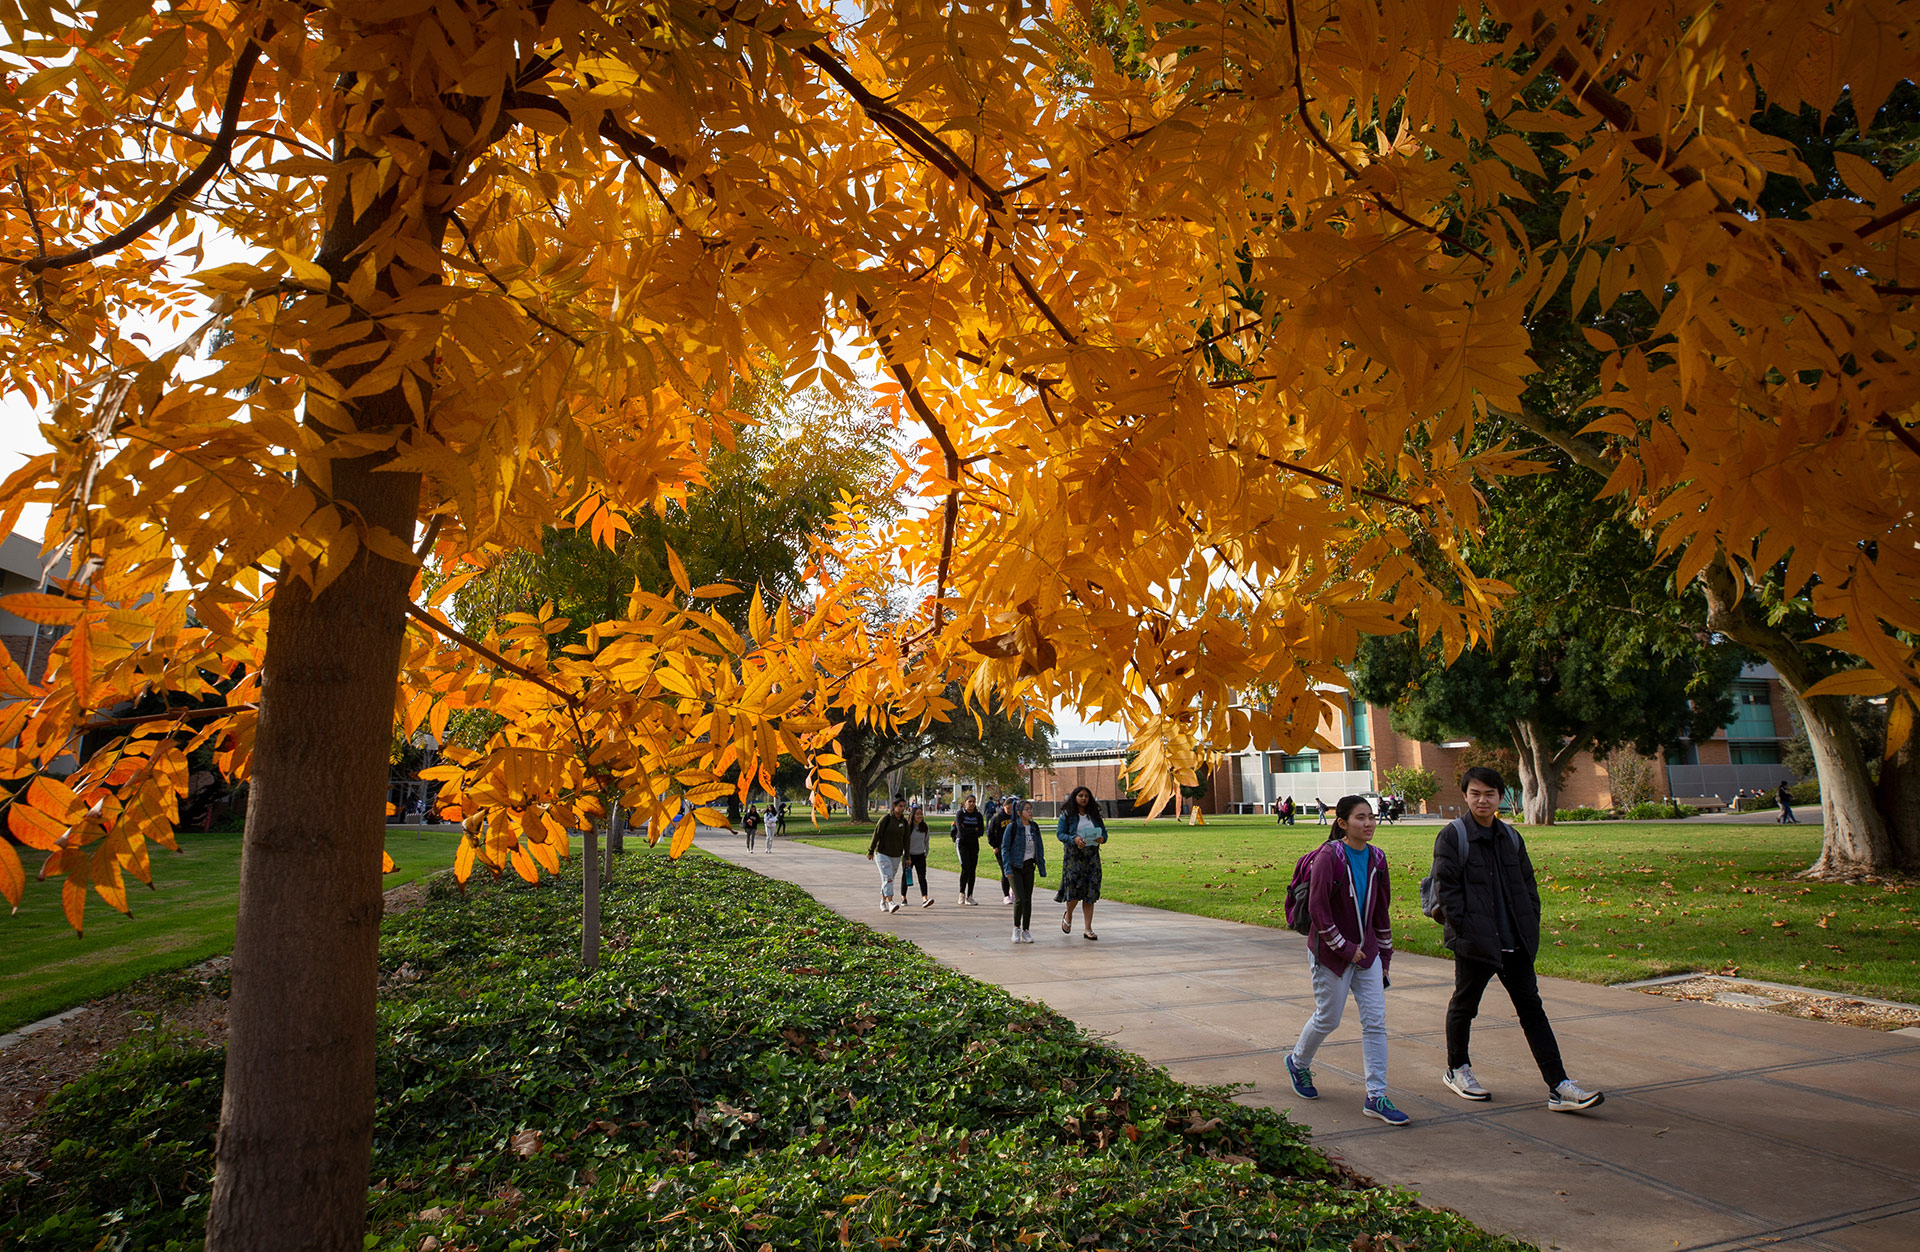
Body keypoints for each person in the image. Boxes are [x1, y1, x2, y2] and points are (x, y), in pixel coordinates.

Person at [1431, 767, 1604, 1114]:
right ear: (1465, 795)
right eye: (1475, 794)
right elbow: (1446, 890)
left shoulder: (1510, 837)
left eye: (1489, 794)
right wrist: (1465, 930)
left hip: (1515, 941)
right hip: (1476, 942)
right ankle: (1457, 1068)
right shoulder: (1453, 836)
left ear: (1500, 797)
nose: (1482, 800)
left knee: (1532, 1011)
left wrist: (1530, 922)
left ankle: (1559, 1086)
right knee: (1465, 1006)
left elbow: (1528, 885)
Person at [1283, 795, 1406, 1126]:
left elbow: (1381, 908)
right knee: (1328, 1018)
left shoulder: (1378, 858)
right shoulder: (1329, 856)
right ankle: (1298, 1062)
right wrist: (1344, 947)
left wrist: (1385, 954)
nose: (1368, 823)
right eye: (1360, 818)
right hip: (1331, 954)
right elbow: (1318, 909)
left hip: (1368, 954)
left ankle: (1376, 1096)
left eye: (1371, 817)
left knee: (1375, 1022)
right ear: (1342, 823)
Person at [1055, 785, 1107, 940]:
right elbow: (1060, 834)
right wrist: (1074, 839)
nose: (1084, 798)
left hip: (1092, 857)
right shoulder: (1067, 815)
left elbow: (1104, 833)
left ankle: (1088, 928)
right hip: (1074, 857)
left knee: (1090, 892)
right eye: (1080, 796)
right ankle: (1069, 914)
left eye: (1086, 796)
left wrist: (1102, 838)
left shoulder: (1094, 815)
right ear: (1075, 797)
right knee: (1074, 892)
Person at [1000, 800, 1048, 943]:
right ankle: (1016, 928)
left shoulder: (1034, 827)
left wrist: (1041, 865)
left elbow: (1039, 846)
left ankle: (1026, 930)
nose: (1030, 811)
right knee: (1020, 898)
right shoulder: (1013, 827)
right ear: (1019, 812)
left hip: (1028, 866)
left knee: (1028, 899)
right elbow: (1005, 848)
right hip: (1015, 867)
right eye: (1027, 809)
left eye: (1031, 809)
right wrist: (1007, 868)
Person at [866, 797, 912, 913]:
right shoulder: (886, 819)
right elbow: (876, 834)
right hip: (882, 853)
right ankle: (891, 902)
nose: (902, 808)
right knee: (888, 878)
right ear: (894, 806)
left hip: (896, 855)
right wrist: (871, 850)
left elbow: (906, 840)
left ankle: (883, 900)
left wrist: (907, 856)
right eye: (900, 806)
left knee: (888, 879)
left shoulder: (904, 823)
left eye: (904, 806)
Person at [952, 794, 985, 904]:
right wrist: (974, 829)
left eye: (973, 802)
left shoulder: (978, 815)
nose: (971, 804)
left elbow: (981, 832)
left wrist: (970, 829)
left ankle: (970, 895)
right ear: (965, 802)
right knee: (965, 868)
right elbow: (961, 831)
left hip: (974, 844)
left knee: (972, 870)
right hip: (962, 843)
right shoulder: (960, 814)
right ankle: (962, 893)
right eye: (969, 801)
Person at [905, 803, 934, 907]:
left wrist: (926, 852)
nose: (920, 816)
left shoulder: (924, 827)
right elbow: (904, 842)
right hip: (909, 856)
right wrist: (906, 856)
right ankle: (903, 897)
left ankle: (925, 898)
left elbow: (926, 841)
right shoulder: (908, 827)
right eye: (917, 814)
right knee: (906, 877)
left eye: (921, 814)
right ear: (913, 815)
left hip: (920, 855)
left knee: (922, 877)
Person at [986, 797, 1015, 904]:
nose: (1010, 810)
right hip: (1001, 848)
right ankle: (1006, 895)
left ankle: (1013, 890)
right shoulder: (997, 818)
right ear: (1004, 806)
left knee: (1015, 870)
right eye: (1008, 808)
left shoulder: (1016, 817)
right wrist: (994, 846)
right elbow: (990, 833)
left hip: (1014, 848)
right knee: (1005, 871)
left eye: (1012, 808)